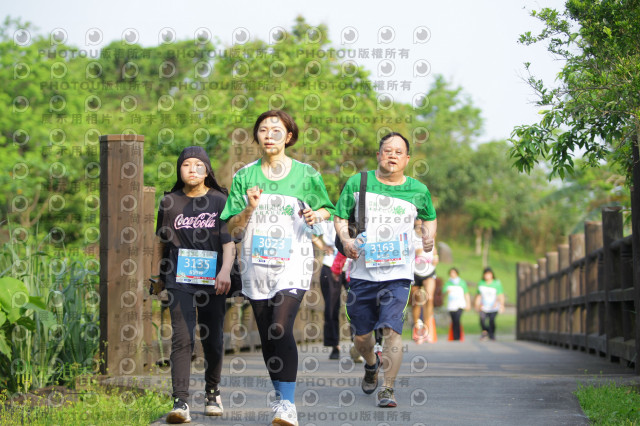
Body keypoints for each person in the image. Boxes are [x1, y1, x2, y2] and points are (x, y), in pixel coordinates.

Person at [221, 110, 334, 426]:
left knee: (280, 327)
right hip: (255, 267)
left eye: (276, 129)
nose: (268, 134)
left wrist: (317, 216)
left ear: (289, 136)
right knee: (269, 335)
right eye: (262, 130)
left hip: (293, 265)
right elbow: (231, 227)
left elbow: (327, 208)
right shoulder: (245, 175)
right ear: (256, 137)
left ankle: (287, 404)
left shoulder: (306, 174)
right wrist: (249, 209)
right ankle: (280, 398)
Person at [334, 132, 437, 408]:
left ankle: (388, 389)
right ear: (379, 155)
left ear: (407, 159)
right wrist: (345, 239)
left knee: (392, 330)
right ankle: (371, 363)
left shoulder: (418, 190)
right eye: (387, 150)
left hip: (398, 274)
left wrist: (428, 237)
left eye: (398, 152)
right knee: (361, 337)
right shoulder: (358, 182)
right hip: (362, 272)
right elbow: (340, 217)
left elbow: (429, 218)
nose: (392, 155)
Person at [152, 146, 235, 424]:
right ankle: (181, 401)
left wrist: (225, 271)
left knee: (212, 338)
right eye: (186, 164)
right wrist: (157, 276)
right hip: (179, 277)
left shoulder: (220, 200)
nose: (192, 169)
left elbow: (228, 243)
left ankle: (213, 392)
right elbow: (160, 242)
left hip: (213, 280)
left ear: (207, 170)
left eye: (198, 165)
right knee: (182, 337)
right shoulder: (169, 202)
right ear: (179, 170)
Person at [314, 222, 342, 359]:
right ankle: (334, 345)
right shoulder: (331, 217)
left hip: (354, 266)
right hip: (330, 264)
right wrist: (322, 246)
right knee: (331, 307)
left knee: (358, 306)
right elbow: (308, 229)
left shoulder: (361, 214)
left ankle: (360, 343)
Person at [411, 244, 439, 344]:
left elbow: (435, 253)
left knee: (429, 298)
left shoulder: (429, 235)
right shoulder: (411, 235)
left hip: (429, 271)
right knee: (416, 301)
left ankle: (428, 328)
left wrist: (436, 257)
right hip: (415, 272)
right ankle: (417, 328)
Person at [474, 267, 505, 341]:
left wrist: (501, 305)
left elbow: (500, 295)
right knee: (482, 320)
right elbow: (478, 295)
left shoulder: (496, 283)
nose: (487, 276)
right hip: (483, 306)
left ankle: (492, 334)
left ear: (492, 275)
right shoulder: (481, 283)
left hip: (494, 306)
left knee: (492, 320)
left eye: (489, 274)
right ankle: (485, 332)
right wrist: (476, 305)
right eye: (486, 274)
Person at [443, 267, 470, 341]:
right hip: (451, 305)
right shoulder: (448, 283)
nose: (452, 274)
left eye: (454, 273)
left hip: (460, 304)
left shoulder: (462, 282)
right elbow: (444, 292)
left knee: (457, 319)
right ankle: (454, 336)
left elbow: (466, 293)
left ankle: (458, 336)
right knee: (453, 320)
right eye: (451, 273)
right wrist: (446, 292)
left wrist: (468, 303)